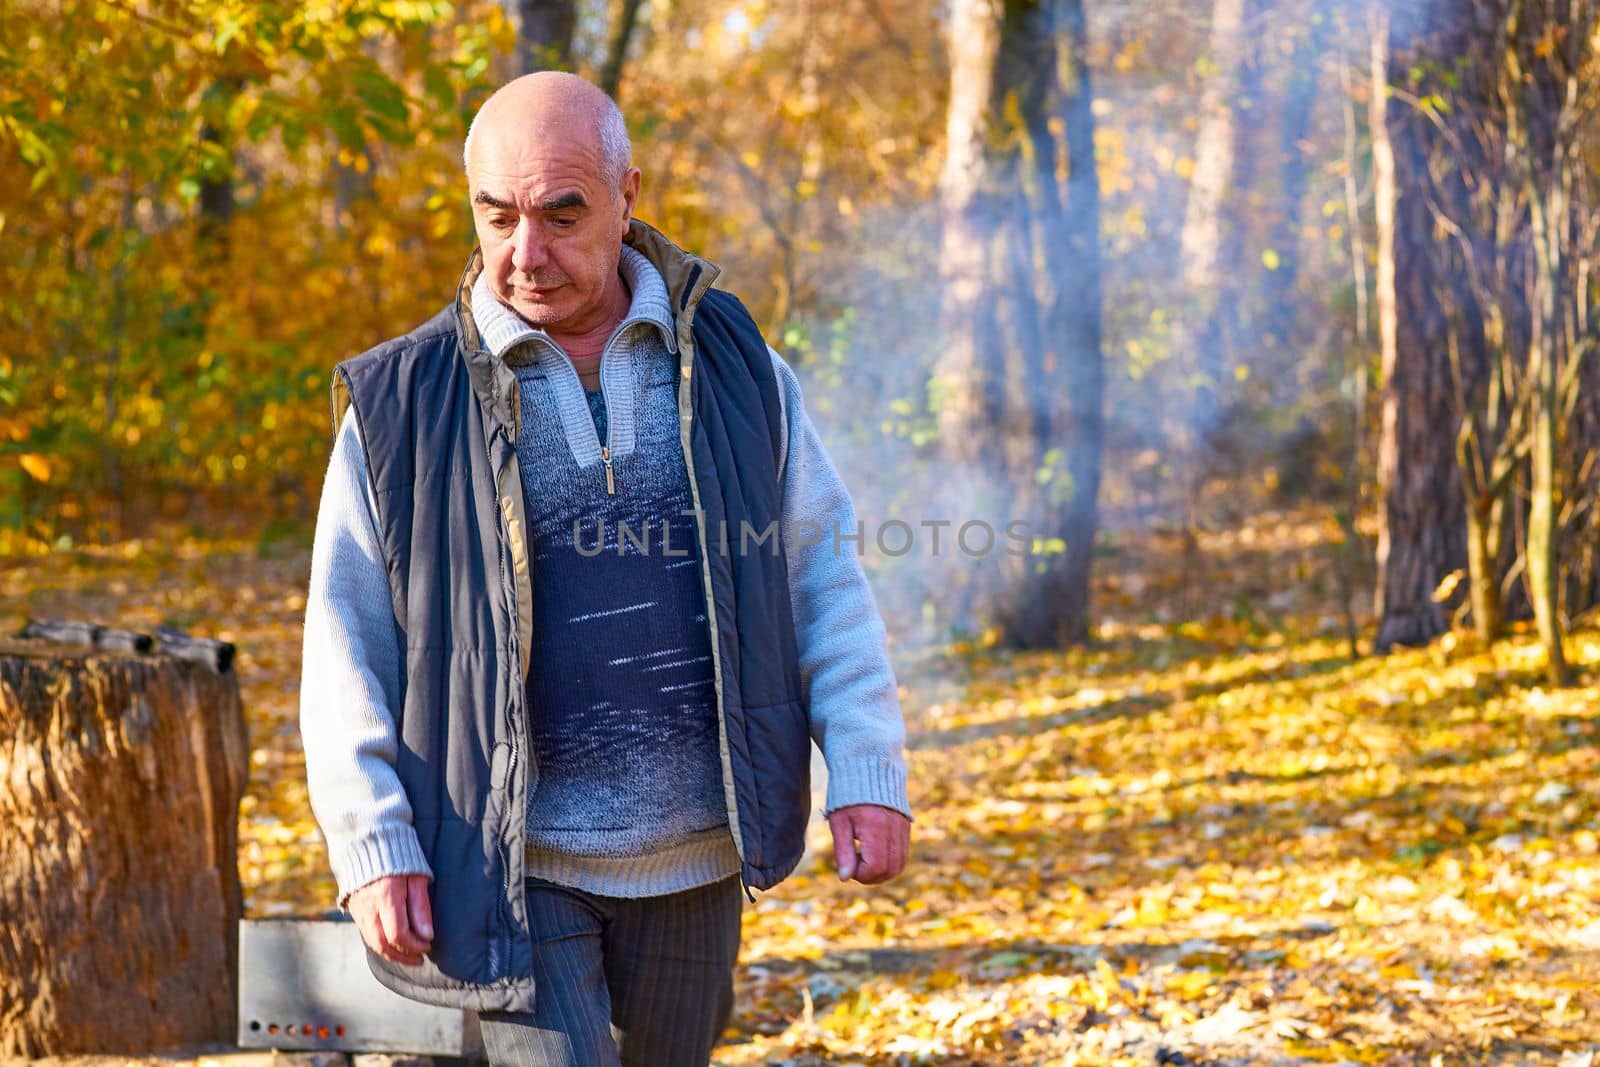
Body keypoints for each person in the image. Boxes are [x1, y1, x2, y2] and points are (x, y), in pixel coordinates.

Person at [298, 71, 912, 1067]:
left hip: (700, 857)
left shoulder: (736, 366)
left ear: (630, 195)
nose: (524, 255)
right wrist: (372, 841)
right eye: (496, 217)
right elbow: (343, 641)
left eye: (561, 214)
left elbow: (820, 578)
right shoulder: (403, 404)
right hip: (505, 865)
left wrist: (868, 766)